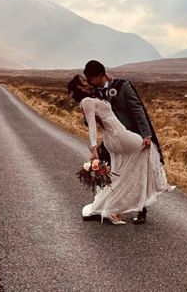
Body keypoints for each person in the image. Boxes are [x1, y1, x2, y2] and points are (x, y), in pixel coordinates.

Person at [68, 74, 174, 225]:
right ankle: (159, 184)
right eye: (85, 80)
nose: (88, 81)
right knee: (146, 150)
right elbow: (91, 126)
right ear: (80, 86)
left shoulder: (102, 91)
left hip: (118, 136)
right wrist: (93, 150)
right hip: (118, 137)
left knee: (123, 171)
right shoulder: (87, 100)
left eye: (88, 78)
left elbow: (134, 108)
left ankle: (113, 207)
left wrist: (111, 82)